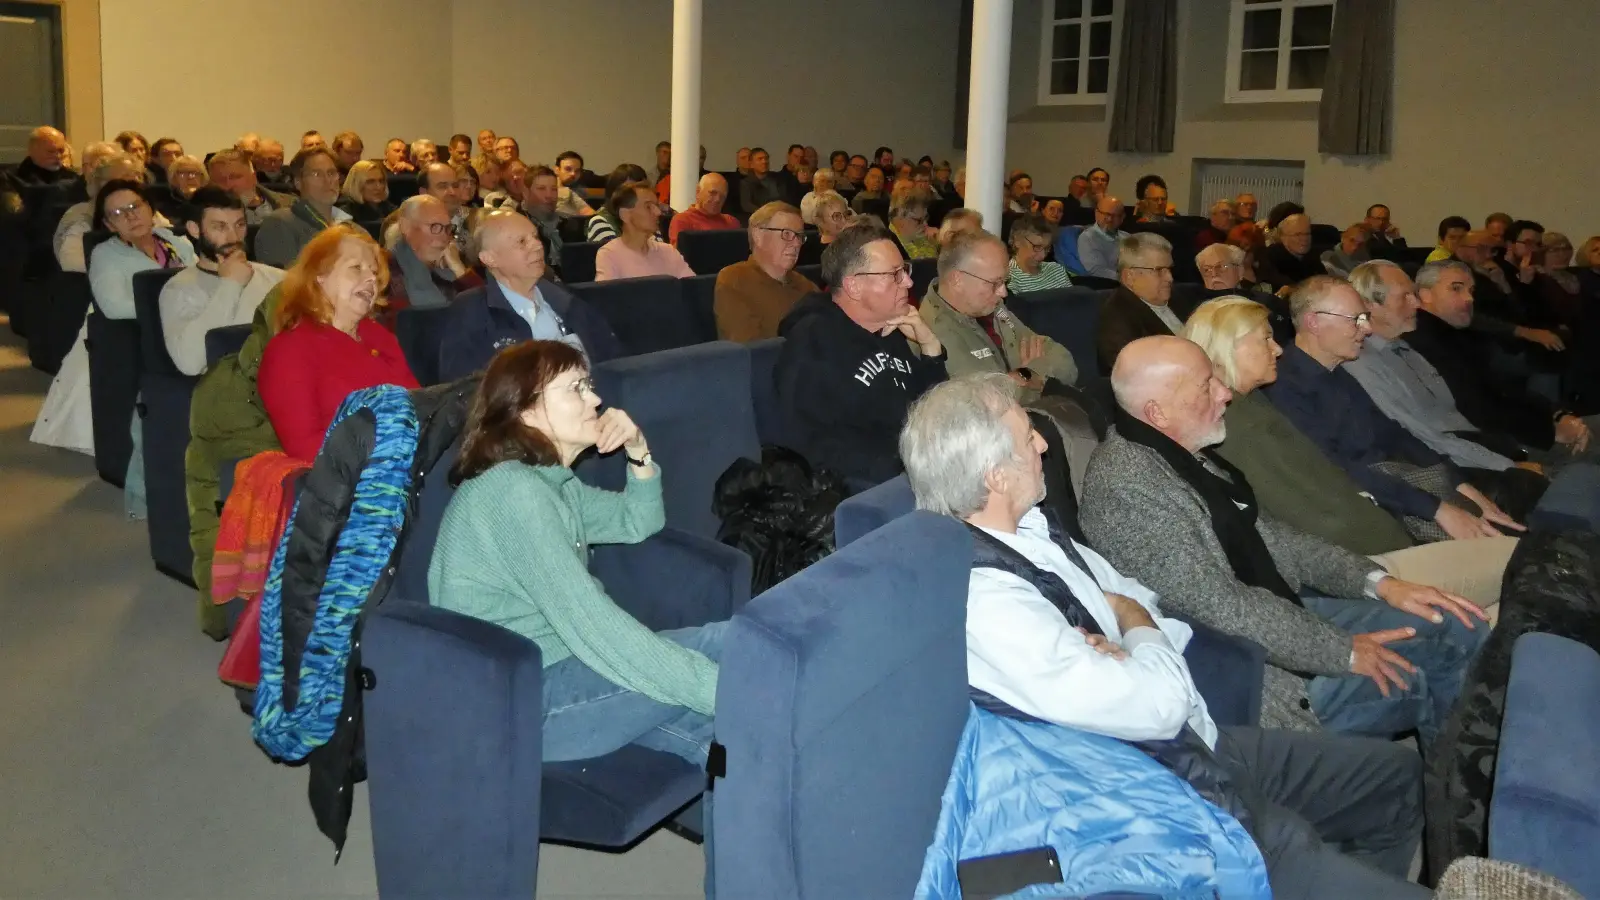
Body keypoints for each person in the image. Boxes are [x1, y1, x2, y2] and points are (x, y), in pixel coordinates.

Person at [901, 374, 1432, 900]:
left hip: (1206, 742)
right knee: (1301, 845)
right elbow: (1155, 705)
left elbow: (1138, 598)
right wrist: (1133, 631)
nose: (1044, 444)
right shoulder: (986, 598)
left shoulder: (1034, 529)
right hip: (1167, 791)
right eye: (1027, 438)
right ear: (995, 477)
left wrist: (1128, 633)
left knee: (1400, 780)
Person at [1079, 335, 1490, 747]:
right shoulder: (1125, 487)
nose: (1225, 393)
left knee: (1455, 622)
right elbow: (1219, 609)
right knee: (1427, 673)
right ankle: (1458, 793)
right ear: (1157, 412)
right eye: (1207, 385)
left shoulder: (1184, 454)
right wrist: (1342, 651)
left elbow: (1281, 540)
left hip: (1283, 613)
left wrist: (1380, 583)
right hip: (1255, 672)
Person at [428, 341, 724, 867]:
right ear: (523, 407)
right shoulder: (512, 496)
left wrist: (638, 449)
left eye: (589, 385)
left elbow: (639, 521)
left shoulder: (550, 486)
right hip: (521, 705)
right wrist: (717, 687)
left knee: (714, 734)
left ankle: (748, 864)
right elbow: (596, 629)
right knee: (729, 649)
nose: (595, 401)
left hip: (559, 675)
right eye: (576, 388)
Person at [1187, 296, 1520, 612]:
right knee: (1518, 563)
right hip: (1365, 564)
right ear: (1229, 346)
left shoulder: (1252, 403)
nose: (1277, 349)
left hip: (1373, 542)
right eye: (1265, 339)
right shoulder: (1237, 422)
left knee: (1507, 585)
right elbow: (1313, 514)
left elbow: (1342, 476)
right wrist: (1411, 544)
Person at [1261, 276, 1529, 542]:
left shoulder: (1337, 372)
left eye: (1364, 317)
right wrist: (1437, 509)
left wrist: (1463, 486)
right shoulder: (1285, 387)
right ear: (1314, 322)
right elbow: (1338, 471)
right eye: (1355, 319)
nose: (1366, 328)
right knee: (1500, 537)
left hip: (1396, 486)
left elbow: (1394, 433)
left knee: (1507, 513)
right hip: (1370, 507)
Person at [775, 222, 947, 484]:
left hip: (922, 470)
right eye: (895, 274)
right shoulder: (812, 342)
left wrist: (931, 349)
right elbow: (810, 445)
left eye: (906, 270)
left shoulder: (891, 330)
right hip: (872, 489)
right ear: (854, 286)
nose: (909, 282)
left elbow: (936, 410)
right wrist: (908, 466)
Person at [257, 226, 419, 461]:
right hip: (356, 483)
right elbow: (305, 447)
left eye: (374, 272)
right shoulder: (290, 350)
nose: (371, 279)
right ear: (319, 276)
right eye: (356, 268)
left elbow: (417, 404)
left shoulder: (378, 336)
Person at [1410, 260, 1596, 459]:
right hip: (1508, 450)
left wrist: (1557, 413)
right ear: (1425, 294)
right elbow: (1479, 414)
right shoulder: (1426, 343)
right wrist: (1550, 431)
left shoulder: (1455, 336)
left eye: (1471, 290)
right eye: (1456, 289)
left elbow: (1504, 390)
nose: (1469, 298)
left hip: (1526, 432)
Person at [437, 212, 621, 383]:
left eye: (535, 236)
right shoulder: (471, 310)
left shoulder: (566, 300)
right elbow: (461, 387)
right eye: (522, 242)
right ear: (490, 258)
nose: (537, 245)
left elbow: (614, 363)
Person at [922, 231, 1076, 403]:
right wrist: (1033, 377)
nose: (1003, 292)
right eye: (995, 283)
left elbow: (1065, 362)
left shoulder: (992, 307)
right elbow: (985, 405)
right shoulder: (932, 331)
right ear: (957, 280)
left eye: (1005, 282)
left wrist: (1023, 374)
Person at [160, 186, 285, 376]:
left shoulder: (278, 278)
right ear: (194, 229)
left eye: (240, 225)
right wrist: (231, 285)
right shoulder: (179, 289)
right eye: (220, 227)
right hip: (233, 392)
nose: (234, 237)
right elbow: (190, 364)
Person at [711, 201, 816, 342]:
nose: (797, 243)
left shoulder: (805, 285)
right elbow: (751, 349)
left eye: (799, 236)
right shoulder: (735, 280)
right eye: (787, 233)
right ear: (758, 236)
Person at [384, 194, 483, 319]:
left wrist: (459, 269)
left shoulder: (451, 268)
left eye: (448, 228)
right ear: (406, 227)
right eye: (435, 227)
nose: (444, 237)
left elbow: (486, 311)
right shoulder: (386, 271)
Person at [1096, 232, 1181, 373]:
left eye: (1170, 269)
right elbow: (1132, 375)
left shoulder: (1179, 298)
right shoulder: (1116, 318)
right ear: (1129, 277)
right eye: (1159, 270)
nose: (1170, 278)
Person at [254, 148, 354, 268]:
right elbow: (284, 282)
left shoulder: (352, 227)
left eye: (331, 173)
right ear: (298, 182)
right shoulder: (280, 223)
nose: (328, 181)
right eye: (317, 174)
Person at [53, 151, 145, 273]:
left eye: (138, 176)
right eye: (127, 177)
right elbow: (73, 263)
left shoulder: (145, 210)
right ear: (103, 183)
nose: (137, 182)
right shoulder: (82, 215)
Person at [594, 185, 694, 281]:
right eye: (648, 207)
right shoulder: (609, 255)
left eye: (657, 206)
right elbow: (606, 297)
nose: (658, 212)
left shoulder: (668, 251)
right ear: (625, 215)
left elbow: (693, 289)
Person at [207, 149, 293, 227]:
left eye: (235, 177)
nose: (229, 184)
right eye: (220, 180)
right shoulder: (206, 216)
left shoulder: (291, 204)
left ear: (253, 178)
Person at [667, 173, 738, 246]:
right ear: (698, 192)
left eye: (722, 196)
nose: (718, 199)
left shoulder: (731, 222)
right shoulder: (683, 220)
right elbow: (679, 255)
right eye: (713, 193)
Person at [585, 164, 650, 245]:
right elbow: (618, 255)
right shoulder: (600, 221)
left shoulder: (650, 217)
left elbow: (659, 253)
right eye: (630, 191)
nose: (637, 196)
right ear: (614, 193)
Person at [1006, 214, 1071, 293]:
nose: (1042, 256)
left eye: (1047, 248)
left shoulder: (1056, 270)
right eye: (1037, 247)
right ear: (1018, 241)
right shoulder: (1008, 278)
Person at [1258, 213, 1322, 291]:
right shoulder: (1271, 255)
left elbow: (1323, 281)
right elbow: (1280, 284)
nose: (1304, 239)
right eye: (1298, 234)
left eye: (1307, 234)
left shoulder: (1312, 255)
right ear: (1283, 237)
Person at [518, 164, 565, 260]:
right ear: (526, 193)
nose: (549, 195)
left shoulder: (569, 225)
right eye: (541, 189)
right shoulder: (515, 226)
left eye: (554, 189)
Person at [1076, 195, 1125, 279]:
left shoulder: (1127, 237)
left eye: (1115, 215)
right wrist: (1126, 279)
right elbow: (1097, 270)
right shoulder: (1088, 238)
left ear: (1122, 218)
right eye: (1105, 214)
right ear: (1096, 213)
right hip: (1106, 286)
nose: (1109, 219)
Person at [888, 193, 938, 260]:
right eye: (919, 220)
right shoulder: (889, 247)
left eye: (926, 218)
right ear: (899, 219)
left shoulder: (924, 237)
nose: (925, 224)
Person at [738, 148, 784, 213]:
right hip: (760, 217)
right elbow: (746, 205)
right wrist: (764, 212)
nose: (764, 161)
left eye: (766, 158)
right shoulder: (746, 183)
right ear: (751, 164)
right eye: (760, 159)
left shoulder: (777, 178)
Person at [554, 151, 596, 217]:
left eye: (577, 171)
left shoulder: (580, 191)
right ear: (557, 170)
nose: (573, 174)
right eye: (568, 169)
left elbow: (589, 212)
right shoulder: (543, 187)